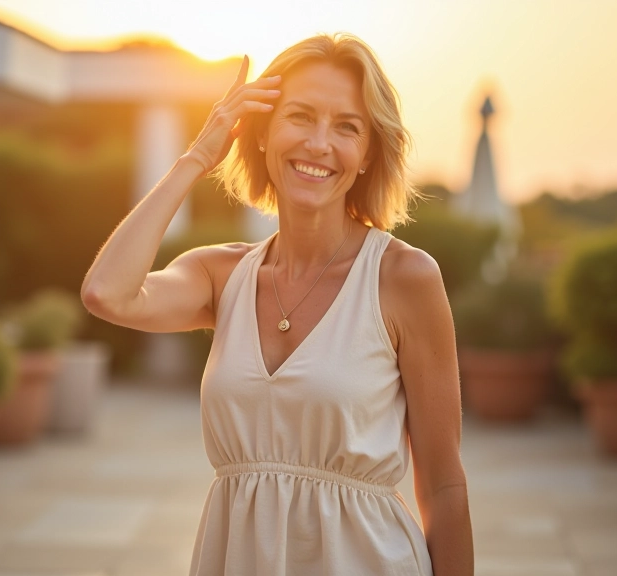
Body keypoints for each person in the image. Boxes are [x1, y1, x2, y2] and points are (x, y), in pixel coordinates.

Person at [81, 33, 473, 576]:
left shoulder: (403, 278)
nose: (318, 142)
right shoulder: (220, 274)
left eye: (346, 126)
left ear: (366, 156)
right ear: (261, 135)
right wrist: (197, 156)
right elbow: (108, 293)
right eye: (300, 116)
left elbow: (444, 483)